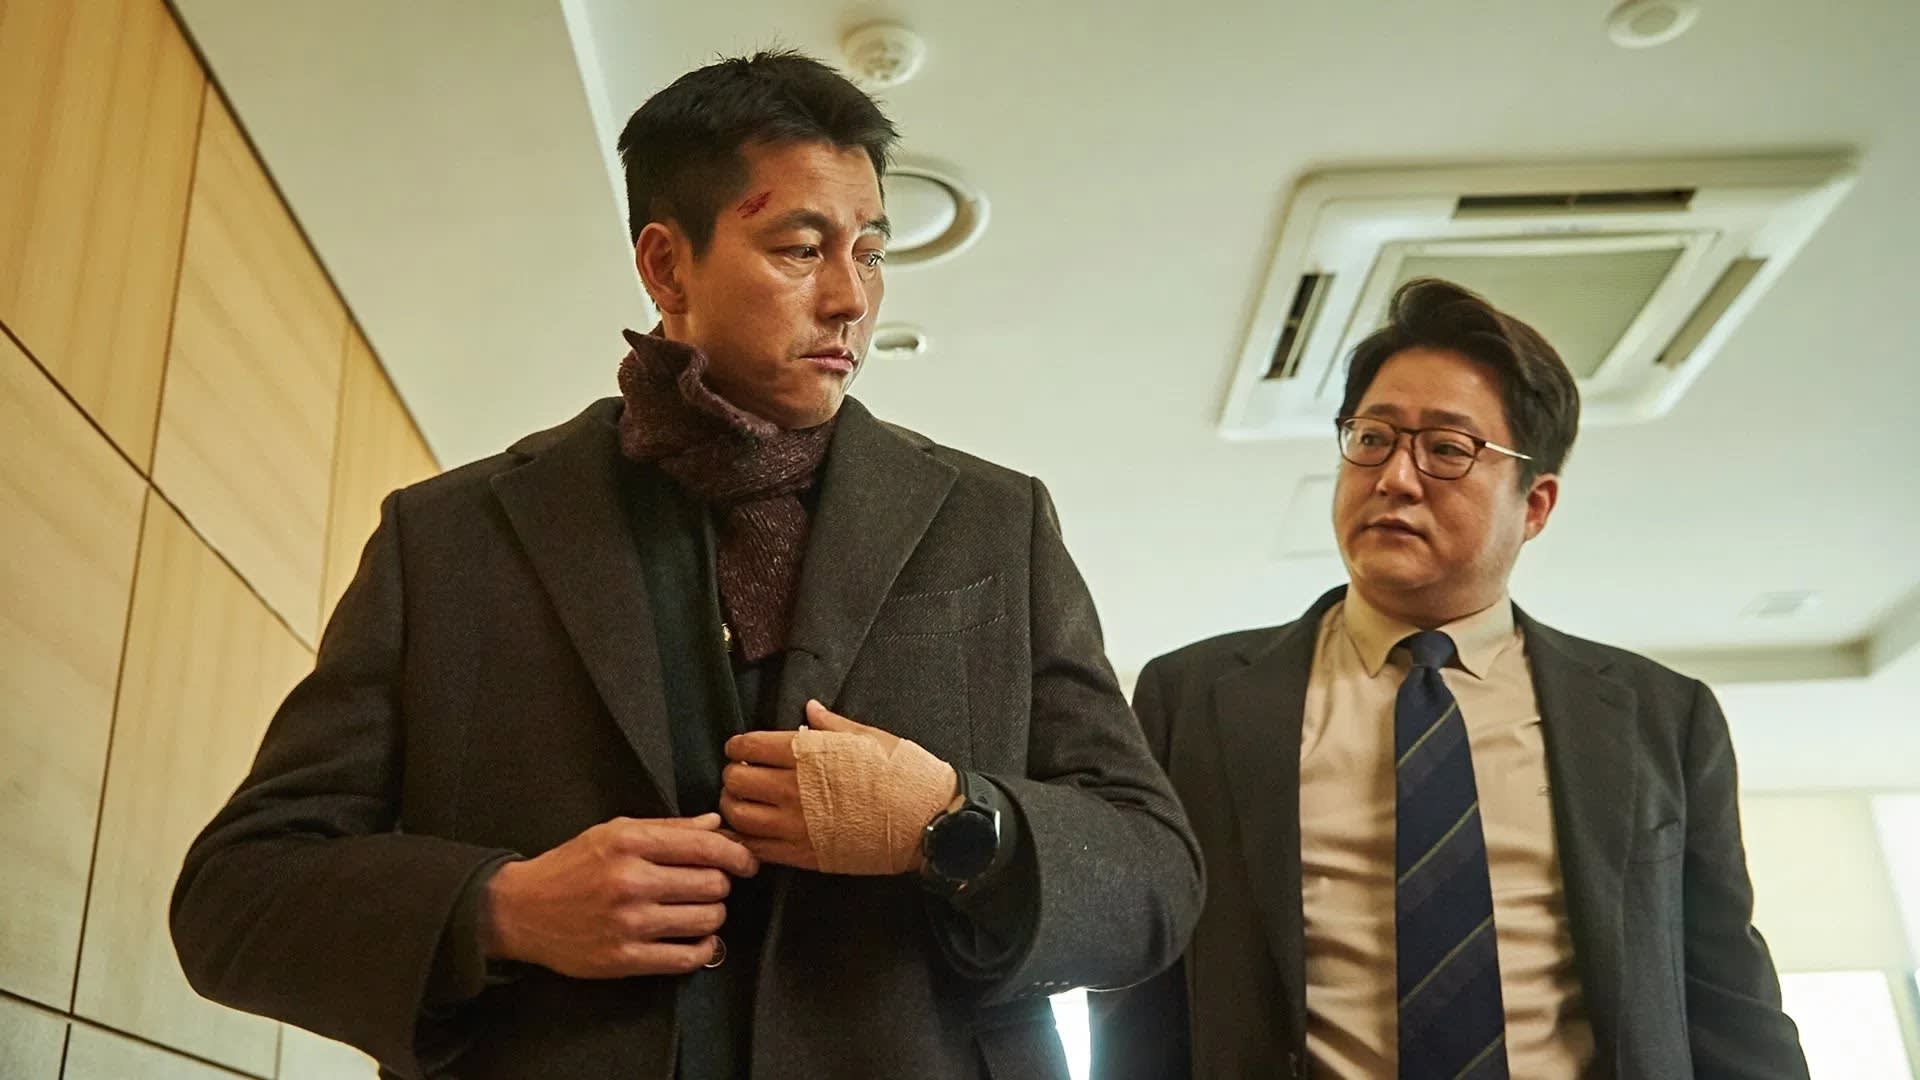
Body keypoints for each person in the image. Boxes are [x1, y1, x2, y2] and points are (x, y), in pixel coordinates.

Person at [171, 51, 1200, 1080]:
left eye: (872, 252)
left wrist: (951, 822)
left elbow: (1158, 878)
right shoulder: (446, 538)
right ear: (667, 267)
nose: (851, 297)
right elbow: (235, 896)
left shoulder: (996, 524)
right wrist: (500, 909)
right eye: (802, 248)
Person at [1088, 278, 1807, 1079]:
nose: (1395, 477)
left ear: (1536, 505)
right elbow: (1139, 993)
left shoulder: (1661, 717)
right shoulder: (1196, 698)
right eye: (1372, 438)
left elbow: (1728, 1000)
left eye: (1447, 449)